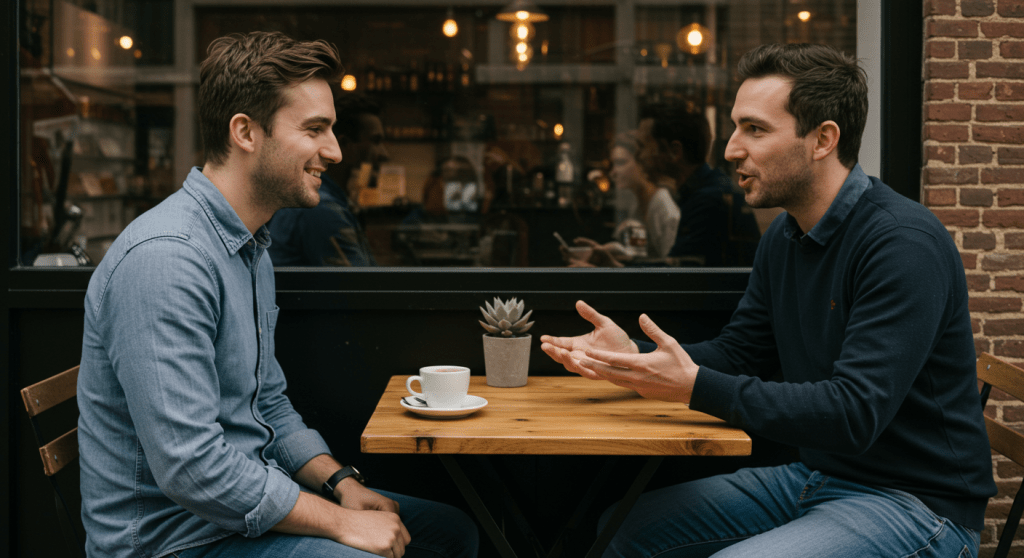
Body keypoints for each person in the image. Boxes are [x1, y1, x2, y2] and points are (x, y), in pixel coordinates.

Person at [541, 43, 994, 558]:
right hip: (818, 477)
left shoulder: (902, 243)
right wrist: (633, 360)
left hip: (914, 505)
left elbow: (853, 414)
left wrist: (692, 387)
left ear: (823, 139)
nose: (732, 149)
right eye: (736, 127)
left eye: (754, 129)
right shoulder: (786, 236)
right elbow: (741, 352)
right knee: (619, 530)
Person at [78, 31, 478, 558]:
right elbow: (191, 468)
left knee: (450, 534)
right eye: (315, 129)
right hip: (176, 541)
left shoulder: (249, 246)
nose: (334, 151)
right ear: (245, 131)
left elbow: (266, 404)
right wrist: (336, 523)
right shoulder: (166, 259)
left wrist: (342, 485)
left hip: (238, 515)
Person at [268, 92, 388, 266]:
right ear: (344, 145)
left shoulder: (326, 200)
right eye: (376, 142)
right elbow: (362, 288)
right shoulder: (321, 207)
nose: (384, 155)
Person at [639, 104, 761, 267]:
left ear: (675, 151)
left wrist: (616, 268)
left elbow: (679, 276)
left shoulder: (709, 200)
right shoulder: (709, 189)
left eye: (644, 145)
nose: (640, 155)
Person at [566, 133, 680, 267]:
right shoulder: (638, 203)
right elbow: (637, 257)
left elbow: (672, 271)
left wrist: (603, 270)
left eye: (620, 163)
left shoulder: (663, 205)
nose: (613, 172)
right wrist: (604, 251)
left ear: (642, 163)